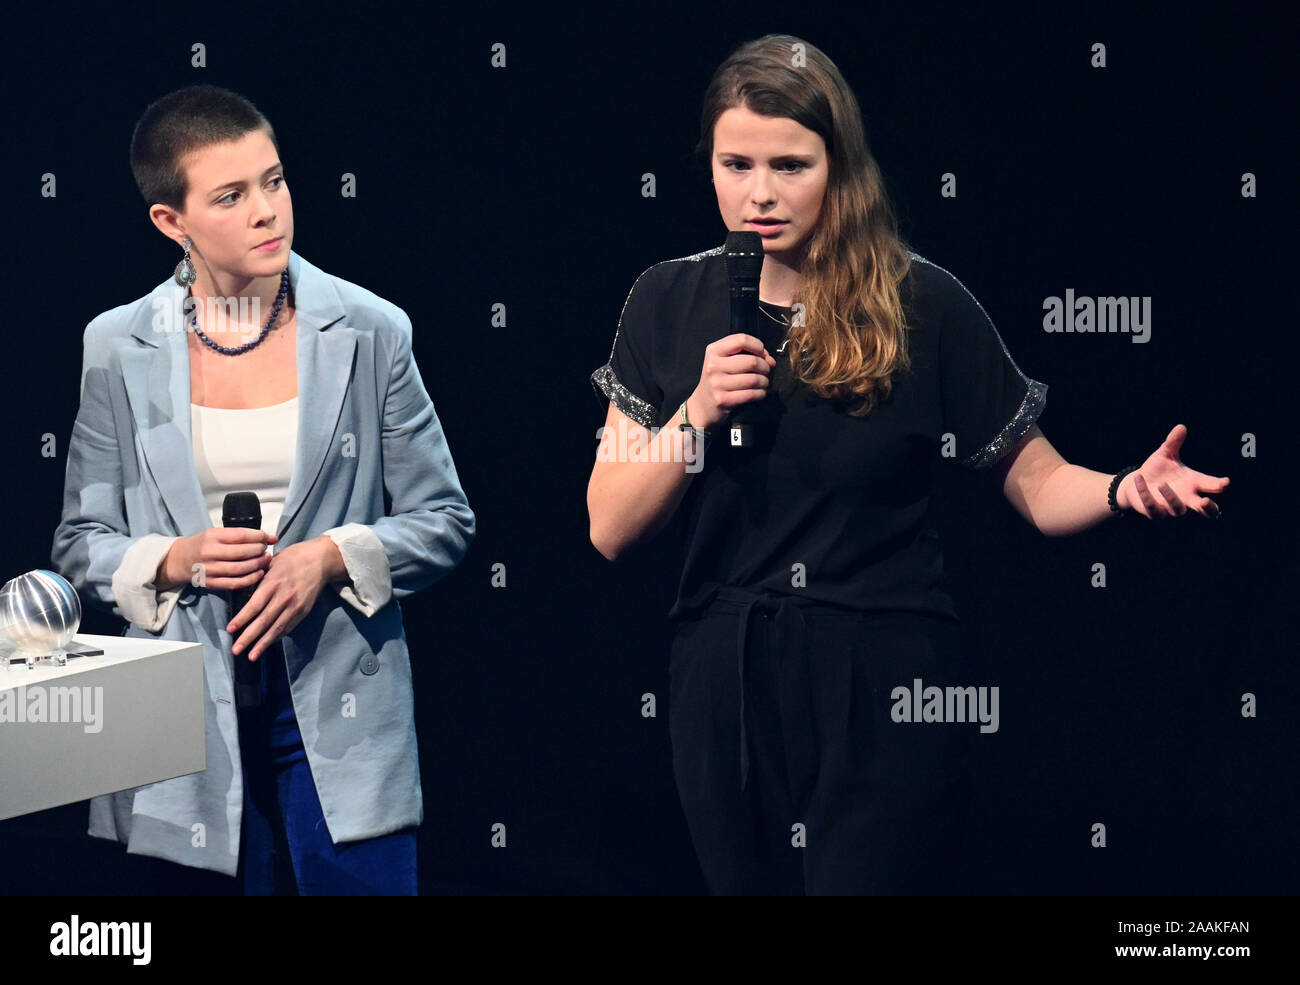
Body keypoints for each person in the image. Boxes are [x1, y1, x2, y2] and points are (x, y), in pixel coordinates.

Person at [587, 35, 1229, 895]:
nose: (760, 194)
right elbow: (610, 525)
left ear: (840, 166)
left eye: (791, 165)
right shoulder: (665, 299)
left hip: (882, 675)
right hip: (725, 675)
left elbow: (1038, 483)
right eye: (736, 163)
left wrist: (1122, 488)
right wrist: (696, 410)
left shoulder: (922, 303)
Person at [50, 84, 475, 895]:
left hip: (341, 709)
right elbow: (80, 545)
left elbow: (445, 519)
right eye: (231, 195)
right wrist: (174, 558)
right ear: (170, 222)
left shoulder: (368, 327)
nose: (267, 211)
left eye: (274, 182)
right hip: (180, 720)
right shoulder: (118, 344)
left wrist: (331, 556)